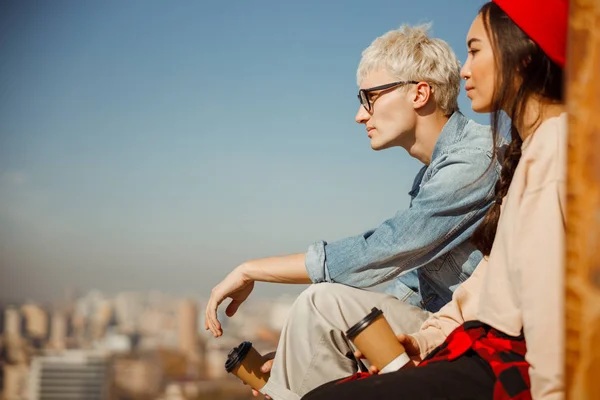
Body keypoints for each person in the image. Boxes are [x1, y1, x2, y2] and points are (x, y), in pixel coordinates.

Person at [206, 25, 501, 400]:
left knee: (321, 301)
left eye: (370, 97)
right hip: (445, 328)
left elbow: (382, 250)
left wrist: (251, 269)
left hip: (474, 340)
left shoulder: (474, 160)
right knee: (319, 317)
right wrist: (306, 348)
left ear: (420, 93)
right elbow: (414, 287)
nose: (360, 115)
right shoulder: (434, 172)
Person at [302, 0, 568, 399]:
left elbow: (555, 327)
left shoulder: (554, 152)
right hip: (477, 342)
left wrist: (252, 270)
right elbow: (480, 289)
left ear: (524, 54)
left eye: (475, 50)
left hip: (513, 360)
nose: (464, 70)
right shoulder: (529, 153)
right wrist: (421, 343)